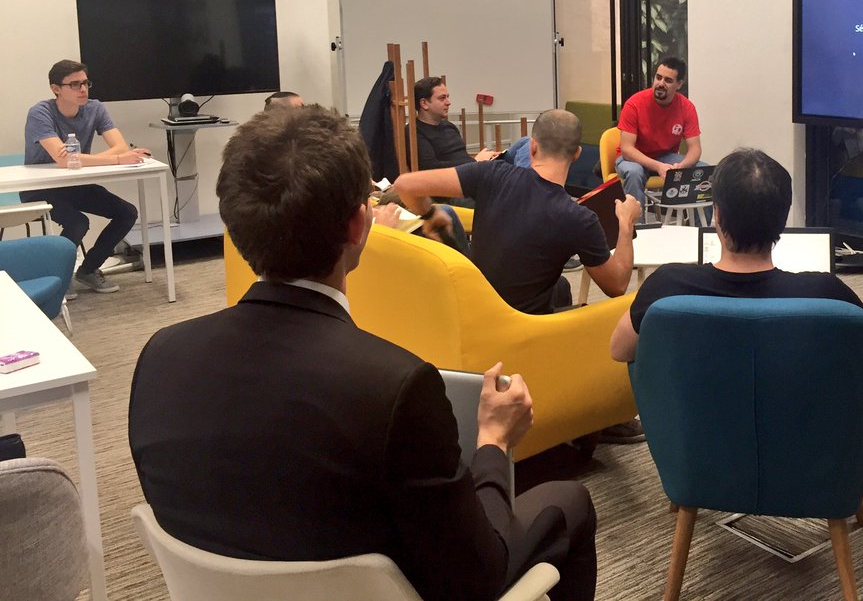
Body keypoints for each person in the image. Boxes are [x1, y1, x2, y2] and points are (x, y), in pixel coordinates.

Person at [128, 105, 597, 601]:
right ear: (359, 224)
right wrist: (494, 442)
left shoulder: (159, 357)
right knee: (571, 501)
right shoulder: (397, 388)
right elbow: (478, 576)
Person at [609, 147, 863, 375]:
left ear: (717, 215)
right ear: (783, 220)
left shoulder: (667, 286)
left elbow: (619, 349)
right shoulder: (827, 293)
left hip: (693, 433)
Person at [394, 109, 640, 315]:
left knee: (561, 287)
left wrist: (429, 214)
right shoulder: (579, 218)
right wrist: (626, 223)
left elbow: (405, 185)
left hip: (476, 309)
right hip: (524, 327)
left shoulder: (490, 173)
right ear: (577, 155)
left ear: (532, 147)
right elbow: (617, 285)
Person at [21, 59, 151, 294]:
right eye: (74, 84)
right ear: (56, 89)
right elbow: (64, 161)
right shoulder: (40, 113)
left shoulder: (95, 108)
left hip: (76, 183)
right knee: (78, 222)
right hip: (39, 188)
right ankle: (58, 277)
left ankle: (88, 270)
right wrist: (116, 159)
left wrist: (84, 159)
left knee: (127, 212)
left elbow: (120, 146)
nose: (83, 89)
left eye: (85, 83)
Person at [615, 56, 704, 205]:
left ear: (679, 84)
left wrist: (681, 167)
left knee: (702, 170)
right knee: (634, 172)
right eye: (658, 77)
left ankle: (703, 221)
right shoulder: (634, 104)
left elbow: (695, 149)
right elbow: (627, 149)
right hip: (633, 158)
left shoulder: (687, 107)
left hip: (665, 157)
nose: (660, 84)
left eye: (668, 80)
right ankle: (635, 221)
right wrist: (658, 167)